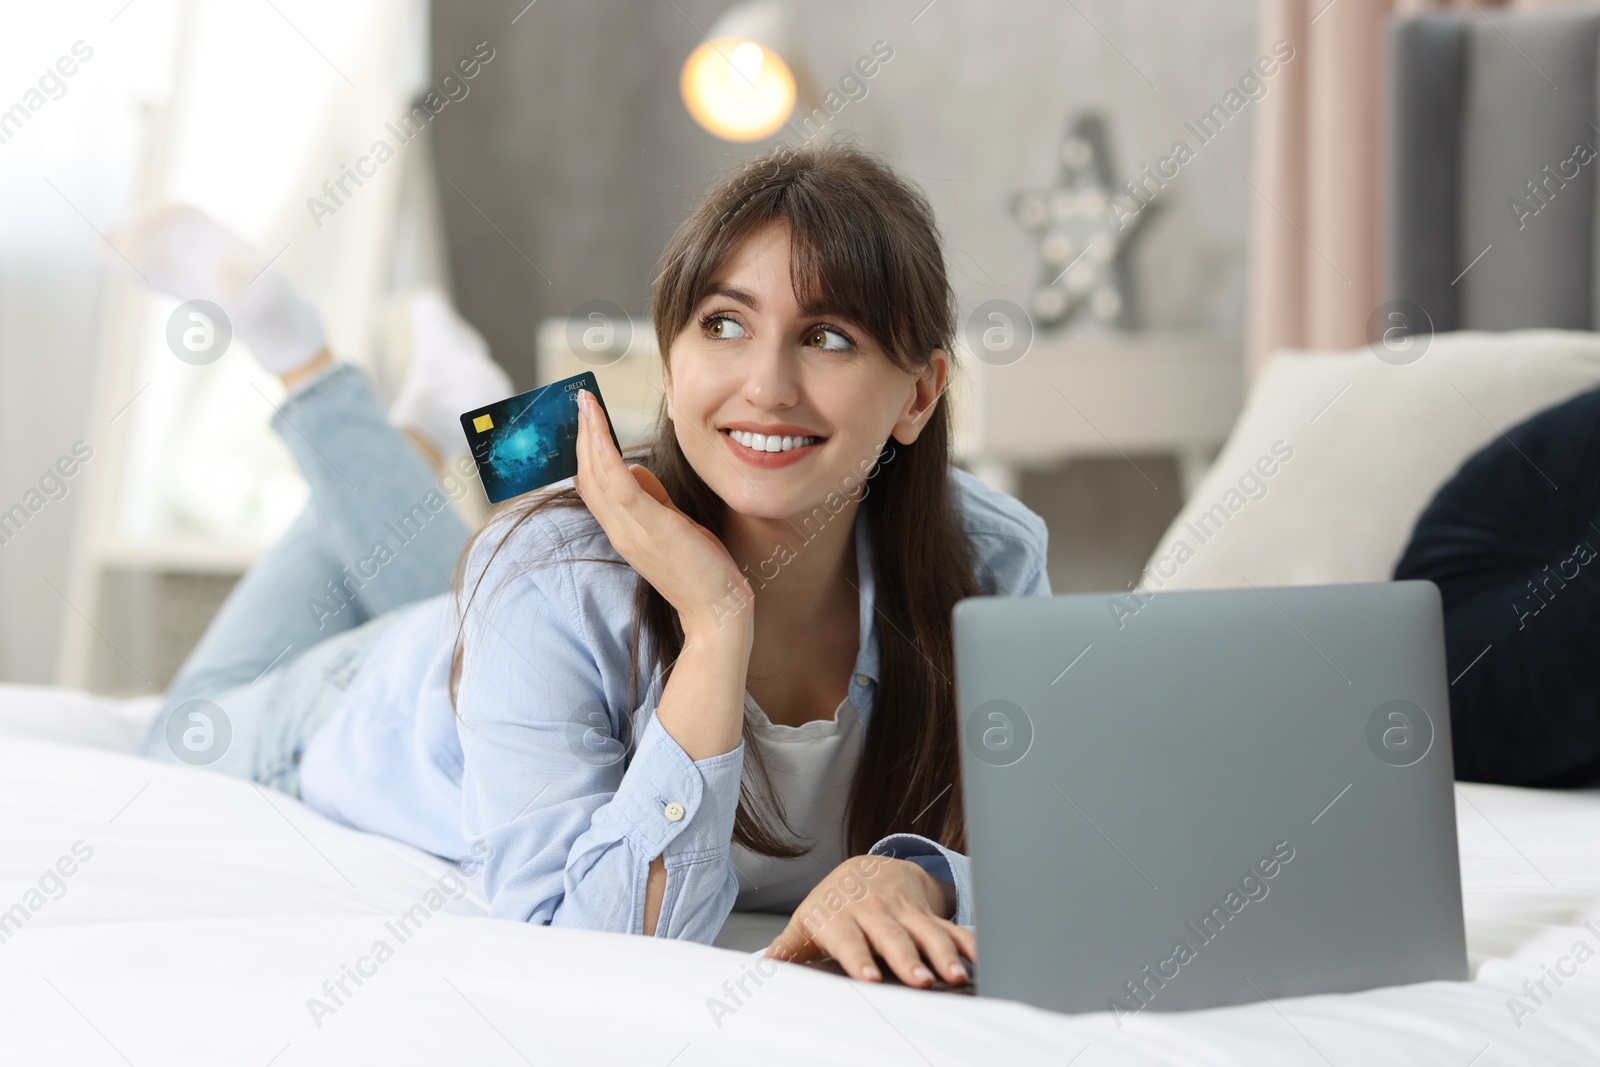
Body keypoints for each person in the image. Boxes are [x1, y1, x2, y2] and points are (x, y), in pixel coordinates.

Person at [128, 141, 1051, 990]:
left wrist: (921, 875)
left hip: (494, 627)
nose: (767, 384)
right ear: (673, 359)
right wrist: (718, 619)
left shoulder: (989, 563)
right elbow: (584, 941)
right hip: (360, 702)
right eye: (725, 325)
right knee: (175, 731)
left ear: (920, 393)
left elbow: (1060, 839)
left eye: (828, 337)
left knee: (475, 571)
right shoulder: (547, 567)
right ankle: (299, 354)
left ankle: (410, 433)